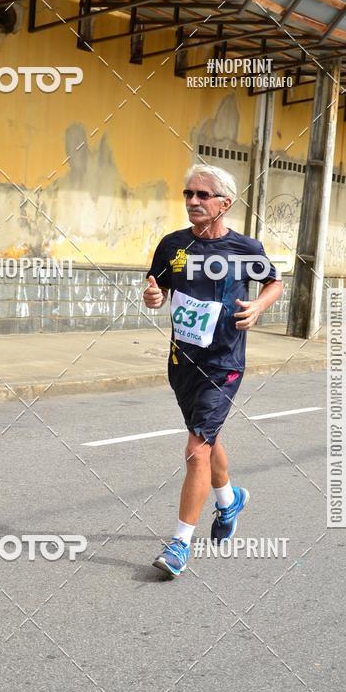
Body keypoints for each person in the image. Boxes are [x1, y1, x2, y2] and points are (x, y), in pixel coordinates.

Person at [144, 164, 283, 579]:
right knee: (207, 438)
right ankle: (229, 500)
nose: (192, 202)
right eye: (188, 194)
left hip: (224, 362)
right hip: (182, 360)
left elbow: (274, 282)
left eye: (203, 195)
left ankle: (179, 544)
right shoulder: (173, 245)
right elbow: (158, 290)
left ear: (226, 202)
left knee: (195, 450)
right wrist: (153, 296)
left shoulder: (245, 248)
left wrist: (258, 306)